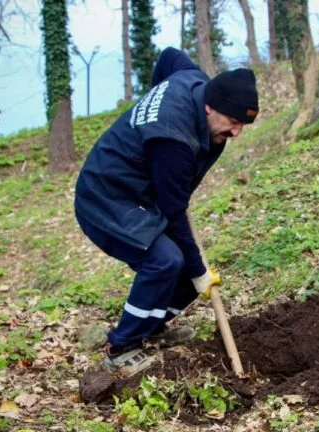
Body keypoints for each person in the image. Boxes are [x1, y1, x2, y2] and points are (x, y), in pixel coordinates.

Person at [73, 47, 259, 375]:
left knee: (188, 270)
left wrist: (153, 100)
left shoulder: (191, 79)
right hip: (106, 196)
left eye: (242, 124)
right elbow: (174, 211)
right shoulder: (173, 140)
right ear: (209, 106)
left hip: (140, 194)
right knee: (167, 261)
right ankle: (121, 348)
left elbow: (169, 56)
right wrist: (198, 271)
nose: (236, 133)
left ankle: (151, 326)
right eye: (233, 122)